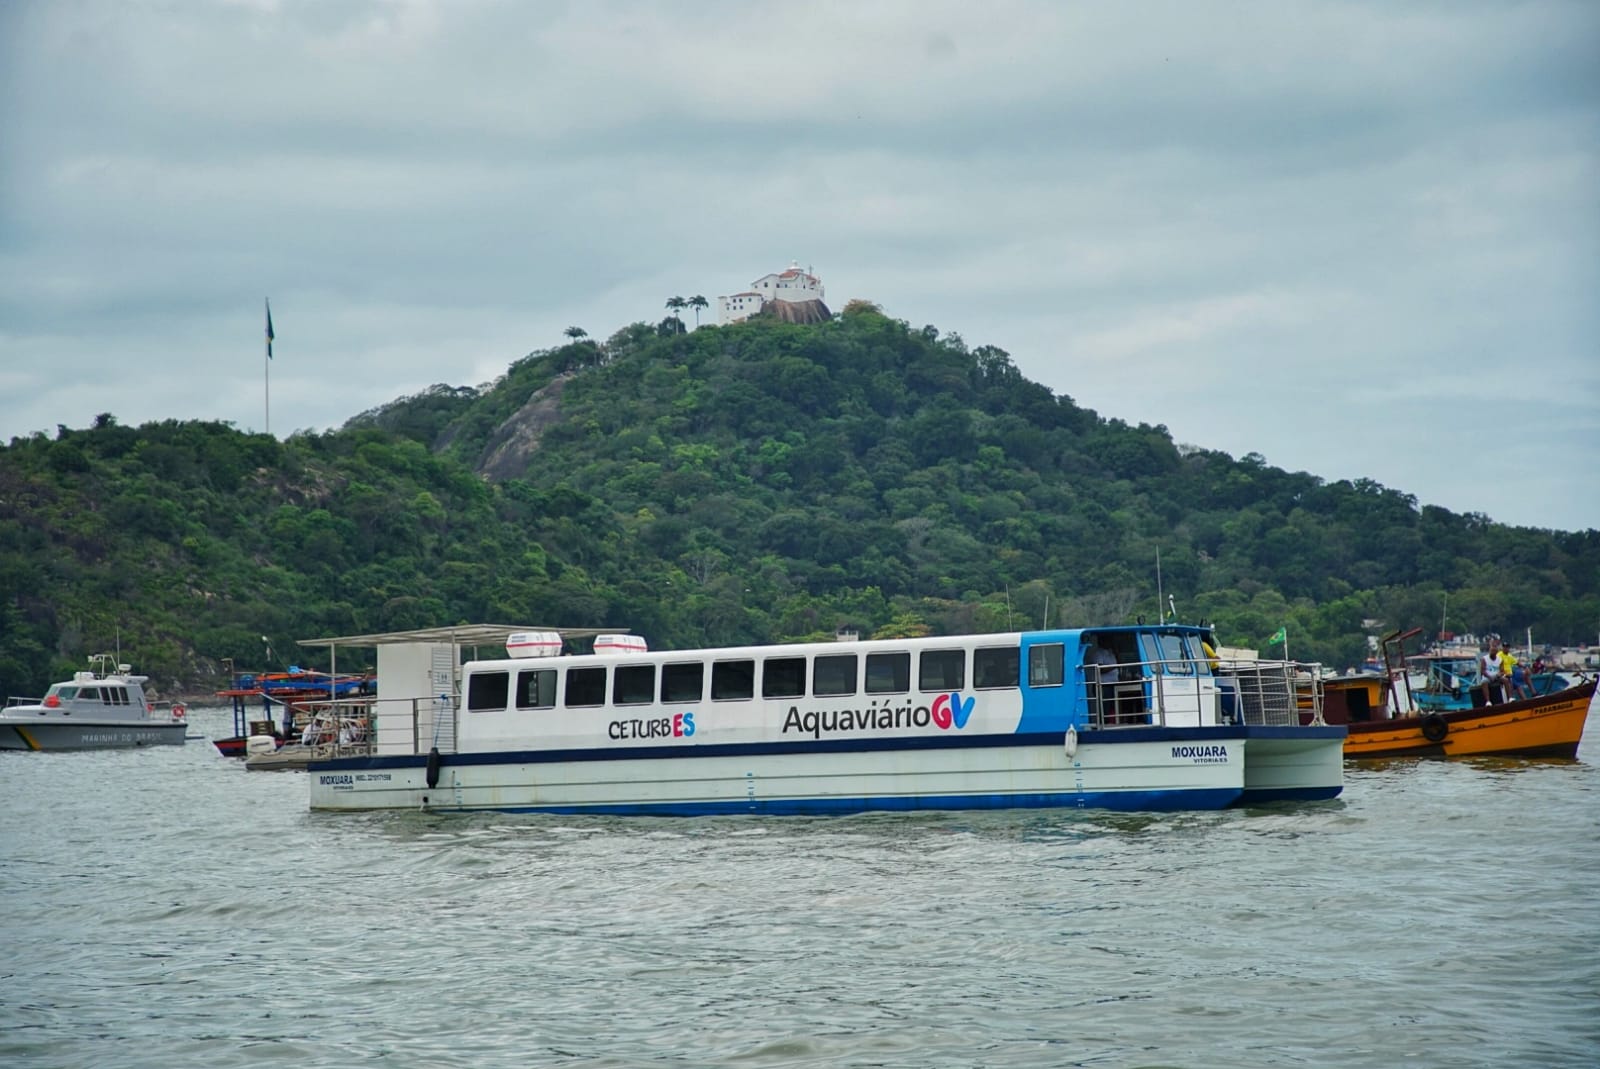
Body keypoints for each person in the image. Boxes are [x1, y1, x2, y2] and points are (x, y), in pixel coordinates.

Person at [1480, 634, 1509, 704]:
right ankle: (1488, 701)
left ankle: (1509, 698)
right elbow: (1482, 671)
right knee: (1484, 682)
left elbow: (1503, 671)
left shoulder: (1500, 659)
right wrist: (1489, 677)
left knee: (1506, 680)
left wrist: (1499, 674)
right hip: (1487, 676)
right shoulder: (1484, 659)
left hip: (1496, 676)